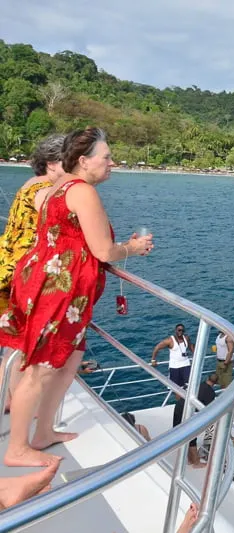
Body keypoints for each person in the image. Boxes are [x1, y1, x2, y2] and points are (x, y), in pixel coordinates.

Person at [0, 126, 153, 467]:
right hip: (58, 292)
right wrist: (132, 247)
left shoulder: (57, 187)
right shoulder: (82, 191)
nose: (113, 163)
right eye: (107, 157)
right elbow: (102, 250)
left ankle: (44, 432)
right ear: (84, 161)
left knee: (67, 362)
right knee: (39, 369)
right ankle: (18, 448)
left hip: (57, 288)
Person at [0, 134, 65, 411]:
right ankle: (14, 404)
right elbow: (54, 221)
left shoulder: (31, 184)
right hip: (19, 276)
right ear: (51, 164)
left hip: (8, 267)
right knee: (20, 346)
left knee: (13, 345)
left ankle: (7, 401)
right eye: (69, 160)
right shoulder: (44, 190)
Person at [172, 374, 218, 468]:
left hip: (179, 408)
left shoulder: (198, 385)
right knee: (192, 438)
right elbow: (206, 410)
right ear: (216, 383)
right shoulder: (211, 393)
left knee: (182, 435)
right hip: (187, 412)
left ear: (207, 378)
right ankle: (196, 462)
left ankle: (190, 459)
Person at [151, 324, 195, 388]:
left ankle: (186, 397)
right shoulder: (170, 340)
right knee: (176, 387)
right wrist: (153, 360)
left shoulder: (186, 338)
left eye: (183, 330)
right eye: (179, 330)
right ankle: (180, 397)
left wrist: (196, 355)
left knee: (189, 385)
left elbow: (190, 346)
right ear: (175, 330)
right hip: (175, 366)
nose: (181, 332)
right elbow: (157, 348)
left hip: (186, 364)